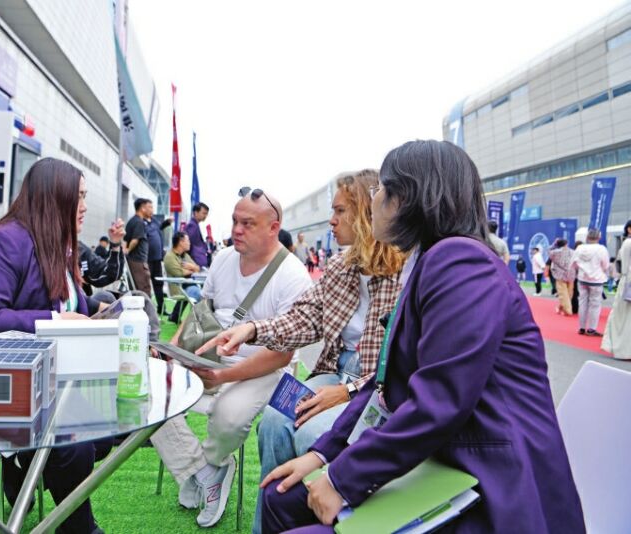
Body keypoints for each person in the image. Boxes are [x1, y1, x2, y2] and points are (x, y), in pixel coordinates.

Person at [259, 140, 584, 533]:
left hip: (489, 481)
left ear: (409, 197)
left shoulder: (461, 263)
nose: (374, 199)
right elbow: (385, 386)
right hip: (444, 460)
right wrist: (322, 455)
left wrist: (342, 480)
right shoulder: (429, 261)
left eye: (381, 188)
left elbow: (439, 401)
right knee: (279, 497)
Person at [200, 170, 404, 534]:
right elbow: (305, 318)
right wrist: (252, 329)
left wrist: (347, 391)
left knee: (314, 434)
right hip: (334, 371)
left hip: (374, 385)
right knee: (274, 422)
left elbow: (405, 361)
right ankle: (269, 526)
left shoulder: (405, 273)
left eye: (340, 211)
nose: (332, 220)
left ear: (366, 212)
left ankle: (325, 521)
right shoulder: (340, 265)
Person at [0, 157, 111, 534]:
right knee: (75, 441)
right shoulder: (3, 241)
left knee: (105, 428)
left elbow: (65, 304)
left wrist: (100, 311)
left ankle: (18, 464)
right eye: (79, 196)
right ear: (55, 198)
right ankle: (78, 526)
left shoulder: (57, 243)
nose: (85, 206)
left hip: (40, 377)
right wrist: (55, 320)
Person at [150, 188, 312, 528]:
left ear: (273, 227)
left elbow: (281, 355)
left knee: (228, 416)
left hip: (264, 368)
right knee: (151, 392)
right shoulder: (224, 258)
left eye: (247, 223)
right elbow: (201, 311)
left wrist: (223, 377)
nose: (237, 229)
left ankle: (209, 465)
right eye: (235, 221)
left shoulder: (293, 276)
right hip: (209, 355)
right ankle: (203, 471)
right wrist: (173, 350)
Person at [78, 222, 125, 316]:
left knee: (106, 297)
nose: (83, 212)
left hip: (82, 305)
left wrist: (115, 244)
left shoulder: (80, 249)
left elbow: (109, 273)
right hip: (61, 315)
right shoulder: (48, 249)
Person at [572, 228, 610, 336]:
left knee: (582, 303)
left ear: (587, 237)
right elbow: (606, 265)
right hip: (596, 279)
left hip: (582, 279)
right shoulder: (601, 249)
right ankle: (591, 329)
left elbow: (574, 263)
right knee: (595, 305)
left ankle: (581, 327)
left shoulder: (580, 248)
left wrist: (581, 270)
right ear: (599, 237)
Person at [602, 220, 631, 358]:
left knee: (623, 317)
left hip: (627, 281)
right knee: (624, 316)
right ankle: (623, 349)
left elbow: (620, 265)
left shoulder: (626, 243)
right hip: (628, 282)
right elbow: (623, 266)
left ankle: (622, 349)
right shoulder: (628, 243)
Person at [124, 198, 153, 296]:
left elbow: (125, 240)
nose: (151, 210)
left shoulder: (132, 221)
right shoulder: (139, 222)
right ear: (142, 208)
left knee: (136, 290)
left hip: (133, 261)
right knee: (144, 290)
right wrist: (128, 250)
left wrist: (126, 250)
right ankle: (145, 307)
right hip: (138, 261)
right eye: (149, 207)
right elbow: (135, 240)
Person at [163, 231, 203, 303]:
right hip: (180, 290)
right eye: (188, 241)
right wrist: (192, 269)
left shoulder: (185, 255)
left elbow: (197, 269)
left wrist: (192, 267)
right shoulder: (169, 257)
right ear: (181, 242)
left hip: (190, 286)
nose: (189, 243)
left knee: (207, 292)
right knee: (199, 293)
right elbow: (179, 273)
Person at [147, 214, 173, 315]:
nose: (151, 210)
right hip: (146, 259)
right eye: (149, 207)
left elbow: (160, 226)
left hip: (157, 259)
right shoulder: (141, 222)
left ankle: (161, 308)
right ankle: (147, 309)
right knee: (145, 285)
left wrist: (167, 222)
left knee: (159, 284)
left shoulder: (153, 220)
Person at [549, 238, 575, 315]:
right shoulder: (573, 252)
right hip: (571, 274)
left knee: (563, 294)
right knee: (569, 293)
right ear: (566, 244)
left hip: (560, 275)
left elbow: (548, 250)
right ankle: (564, 309)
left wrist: (554, 244)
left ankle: (567, 310)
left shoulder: (554, 252)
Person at [185, 202, 210, 268]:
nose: (205, 216)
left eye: (206, 214)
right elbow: (188, 244)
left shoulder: (195, 225)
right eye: (204, 213)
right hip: (195, 260)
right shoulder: (192, 226)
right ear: (196, 213)